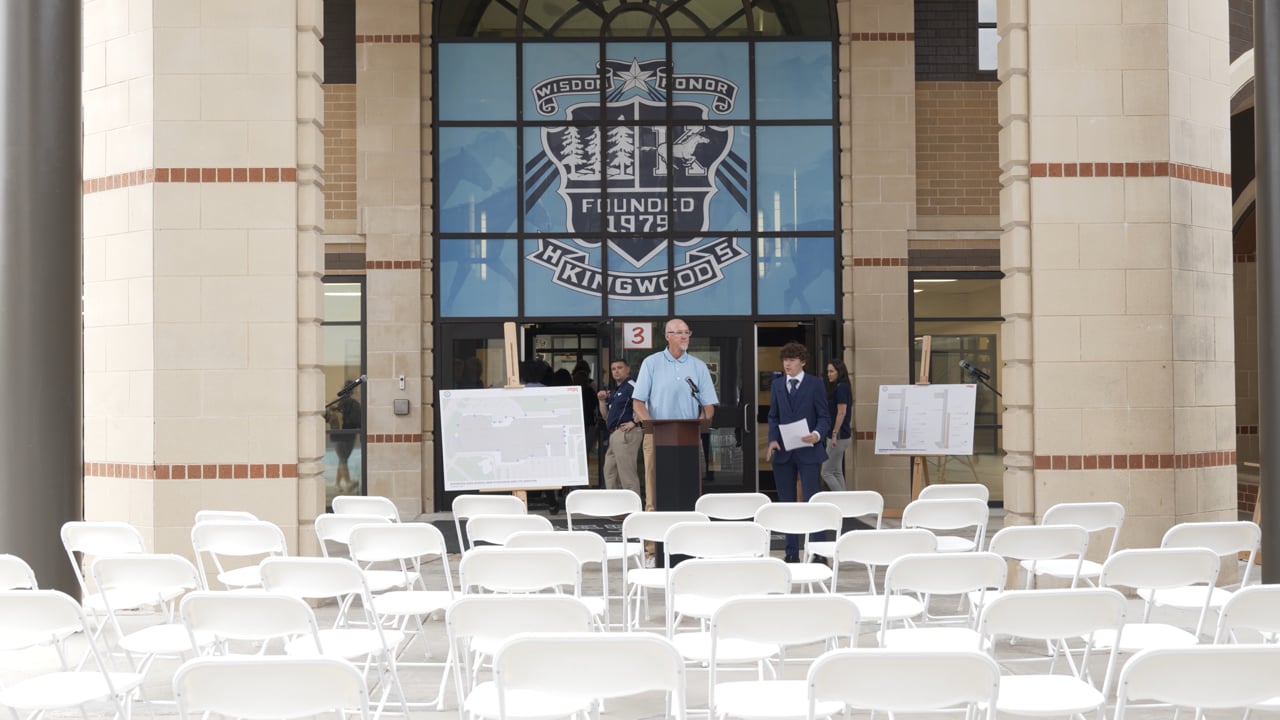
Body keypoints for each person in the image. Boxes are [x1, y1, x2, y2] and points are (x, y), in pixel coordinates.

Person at [631, 318, 718, 512]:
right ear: (668, 336)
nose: (685, 336)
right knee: (655, 489)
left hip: (688, 438)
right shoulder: (651, 363)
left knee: (688, 489)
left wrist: (700, 424)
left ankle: (686, 535)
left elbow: (708, 406)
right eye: (679, 332)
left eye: (687, 332)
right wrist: (652, 426)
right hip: (656, 436)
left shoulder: (698, 366)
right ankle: (653, 542)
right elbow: (638, 402)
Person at [766, 341, 831, 563]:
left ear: (802, 362)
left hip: (809, 450)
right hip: (784, 451)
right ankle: (791, 552)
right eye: (785, 360)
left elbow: (824, 416)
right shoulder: (777, 385)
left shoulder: (815, 384)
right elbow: (773, 416)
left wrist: (817, 433)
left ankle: (819, 552)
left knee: (813, 501)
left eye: (792, 360)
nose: (787, 364)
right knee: (787, 504)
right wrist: (772, 440)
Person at [598, 358, 641, 496]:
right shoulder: (616, 390)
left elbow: (645, 403)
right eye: (613, 369)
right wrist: (601, 400)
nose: (616, 371)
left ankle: (632, 508)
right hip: (614, 433)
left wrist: (634, 422)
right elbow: (606, 416)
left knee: (626, 473)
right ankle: (616, 506)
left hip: (626, 432)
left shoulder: (632, 386)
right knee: (610, 471)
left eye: (620, 368)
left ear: (628, 369)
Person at [820, 358, 853, 492]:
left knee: (826, 472)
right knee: (837, 472)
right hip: (841, 435)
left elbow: (841, 412)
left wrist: (834, 433)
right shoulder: (841, 387)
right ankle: (846, 504)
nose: (829, 374)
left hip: (838, 436)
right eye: (828, 371)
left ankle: (842, 502)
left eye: (832, 371)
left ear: (839, 372)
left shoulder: (841, 388)